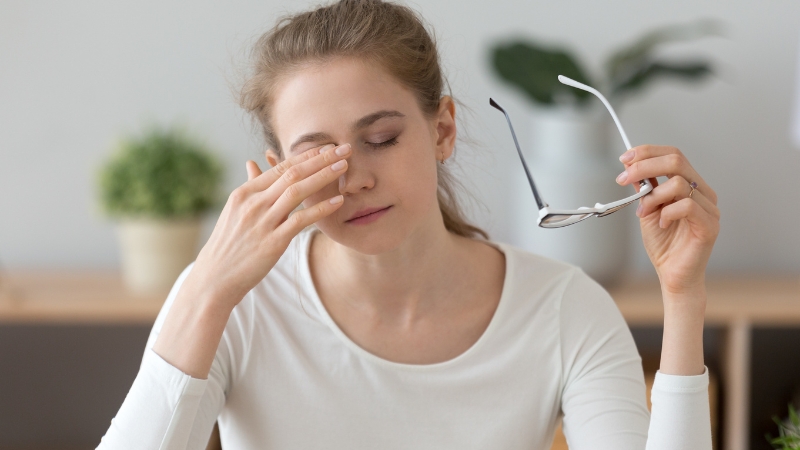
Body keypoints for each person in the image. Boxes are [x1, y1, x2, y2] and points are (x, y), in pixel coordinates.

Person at [97, 0, 720, 448]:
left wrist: (682, 295)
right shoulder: (234, 305)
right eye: (318, 157)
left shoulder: (564, 310)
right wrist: (207, 287)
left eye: (382, 139)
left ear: (442, 128)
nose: (356, 178)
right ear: (279, 169)